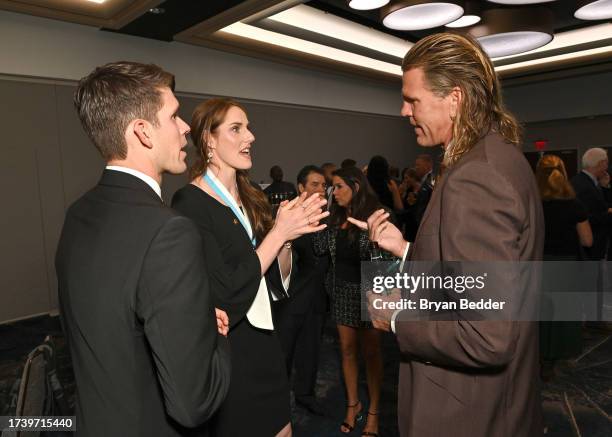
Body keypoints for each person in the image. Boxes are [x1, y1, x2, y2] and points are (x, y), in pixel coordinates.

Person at [349, 33, 544, 437]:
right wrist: (407, 249)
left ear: (455, 99)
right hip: (495, 404)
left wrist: (398, 318)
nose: (404, 110)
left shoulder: (476, 176)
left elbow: (487, 335)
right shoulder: (500, 157)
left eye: (413, 99)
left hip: (464, 414)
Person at [55, 61, 230, 437]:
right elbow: (192, 404)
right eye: (174, 115)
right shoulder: (169, 231)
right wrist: (213, 336)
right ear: (143, 132)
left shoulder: (78, 214)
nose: (185, 127)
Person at [172, 98, 328, 437]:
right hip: (231, 349)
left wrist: (289, 237)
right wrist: (279, 233)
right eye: (237, 128)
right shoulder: (190, 203)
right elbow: (224, 291)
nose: (251, 136)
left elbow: (274, 279)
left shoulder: (252, 194)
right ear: (209, 140)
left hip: (266, 339)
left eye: (248, 127)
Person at [314, 166, 393, 437]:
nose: (333, 192)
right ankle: (353, 404)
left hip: (370, 293)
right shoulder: (335, 215)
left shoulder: (377, 214)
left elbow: (384, 262)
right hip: (342, 291)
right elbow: (319, 248)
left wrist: (370, 238)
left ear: (356, 187)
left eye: (338, 187)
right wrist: (320, 218)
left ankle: (374, 412)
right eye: (331, 187)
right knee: (347, 350)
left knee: (371, 354)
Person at [273, 165, 329, 416]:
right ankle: (277, 399)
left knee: (311, 350)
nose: (321, 189)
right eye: (315, 184)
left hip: (318, 298)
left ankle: (306, 395)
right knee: (283, 352)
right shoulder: (287, 215)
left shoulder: (329, 217)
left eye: (323, 184)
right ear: (301, 188)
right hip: (291, 298)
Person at [536, 154, 592, 380]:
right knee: (562, 317)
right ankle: (555, 359)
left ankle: (538, 357)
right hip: (566, 266)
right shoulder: (574, 204)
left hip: (538, 266)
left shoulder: (533, 204)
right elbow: (587, 241)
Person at [571, 147, 612, 260]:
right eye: (606, 163)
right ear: (600, 163)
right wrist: (609, 214)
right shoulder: (583, 185)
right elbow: (589, 217)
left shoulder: (587, 181)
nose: (607, 167)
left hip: (594, 245)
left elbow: (602, 205)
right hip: (590, 247)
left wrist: (605, 187)